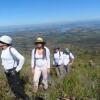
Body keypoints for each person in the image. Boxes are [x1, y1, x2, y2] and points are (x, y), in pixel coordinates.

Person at [0, 35, 29, 100]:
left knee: (17, 86)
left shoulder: (11, 49)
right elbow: (4, 59)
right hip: (7, 71)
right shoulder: (3, 50)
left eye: (0, 42)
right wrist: (3, 66)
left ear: (5, 42)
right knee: (12, 85)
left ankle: (25, 98)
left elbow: (22, 58)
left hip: (13, 71)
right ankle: (18, 97)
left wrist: (17, 70)